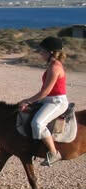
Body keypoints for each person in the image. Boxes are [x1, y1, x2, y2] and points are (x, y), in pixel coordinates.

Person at [19, 36, 68, 166]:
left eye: (42, 51)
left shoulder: (55, 67)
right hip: (48, 99)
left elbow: (45, 91)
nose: (40, 53)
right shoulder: (52, 65)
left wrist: (28, 101)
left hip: (57, 102)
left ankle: (53, 153)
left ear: (51, 52)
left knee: (38, 123)